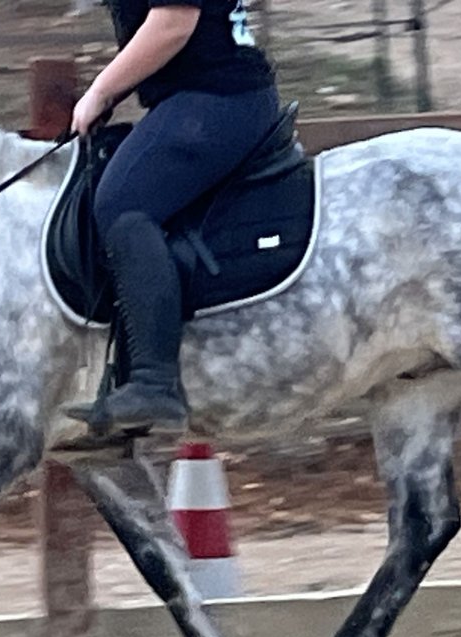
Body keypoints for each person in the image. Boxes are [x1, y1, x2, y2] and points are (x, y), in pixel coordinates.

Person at [67, 0, 279, 435]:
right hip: (203, 95)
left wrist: (101, 91)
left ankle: (154, 381)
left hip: (218, 98)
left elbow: (174, 25)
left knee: (123, 205)